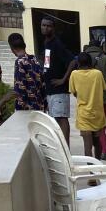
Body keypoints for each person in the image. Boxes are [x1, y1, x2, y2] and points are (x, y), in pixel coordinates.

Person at [40, 17, 76, 145]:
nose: (45, 28)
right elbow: (48, 64)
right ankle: (60, 146)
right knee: (55, 118)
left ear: (53, 28)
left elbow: (72, 61)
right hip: (50, 90)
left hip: (59, 90)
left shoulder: (57, 43)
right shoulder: (47, 43)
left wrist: (63, 79)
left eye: (48, 26)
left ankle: (66, 148)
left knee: (61, 118)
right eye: (43, 25)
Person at [69, 52, 106, 159]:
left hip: (84, 115)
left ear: (78, 63)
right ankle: (98, 163)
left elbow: (74, 93)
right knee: (97, 143)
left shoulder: (74, 74)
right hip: (98, 115)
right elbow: (103, 89)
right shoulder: (98, 74)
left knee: (87, 147)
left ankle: (91, 172)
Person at [84, 39, 106, 160]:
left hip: (88, 99)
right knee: (102, 126)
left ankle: (99, 151)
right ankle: (105, 150)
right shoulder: (105, 58)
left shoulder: (83, 58)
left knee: (92, 127)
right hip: (104, 98)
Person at [7, 33, 45, 111]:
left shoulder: (19, 62)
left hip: (27, 109)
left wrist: (18, 108)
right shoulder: (35, 60)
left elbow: (20, 87)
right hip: (40, 105)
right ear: (24, 45)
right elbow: (43, 83)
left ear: (12, 48)